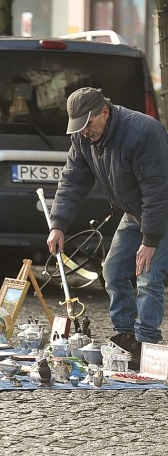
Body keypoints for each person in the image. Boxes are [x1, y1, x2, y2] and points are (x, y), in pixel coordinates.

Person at [47, 87, 168, 370]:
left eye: (88, 124)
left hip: (162, 210)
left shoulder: (143, 131)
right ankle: (126, 337)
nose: (85, 132)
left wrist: (149, 240)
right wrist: (58, 225)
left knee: (148, 275)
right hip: (135, 212)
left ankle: (147, 345)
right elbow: (72, 181)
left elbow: (157, 189)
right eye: (79, 127)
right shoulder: (83, 136)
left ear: (104, 112)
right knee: (112, 271)